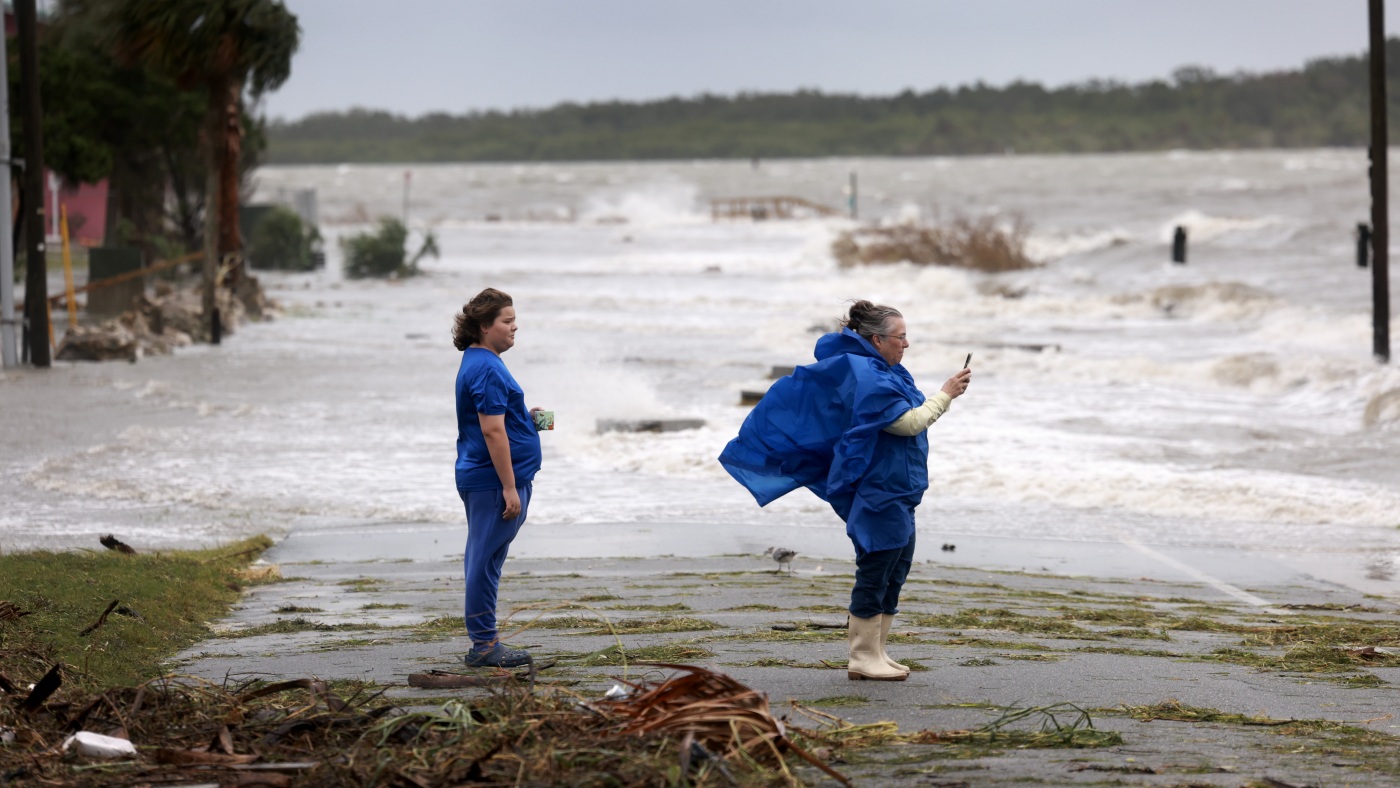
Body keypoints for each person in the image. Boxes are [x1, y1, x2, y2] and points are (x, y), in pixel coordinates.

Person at [719, 300, 970, 681]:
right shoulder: (869, 374)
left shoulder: (890, 371)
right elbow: (909, 423)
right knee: (876, 567)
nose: (907, 344)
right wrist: (947, 393)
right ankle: (861, 657)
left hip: (901, 487)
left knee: (896, 568)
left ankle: (878, 652)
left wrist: (942, 397)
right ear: (877, 338)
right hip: (878, 489)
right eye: (901, 337)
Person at [453, 287, 545, 668]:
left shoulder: (481, 361)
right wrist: (509, 487)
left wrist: (527, 418)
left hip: (488, 477)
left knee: (485, 558)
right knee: (484, 561)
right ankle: (485, 645)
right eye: (507, 321)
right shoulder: (487, 368)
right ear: (484, 326)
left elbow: (498, 421)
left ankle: (485, 641)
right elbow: (492, 432)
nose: (514, 327)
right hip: (493, 481)